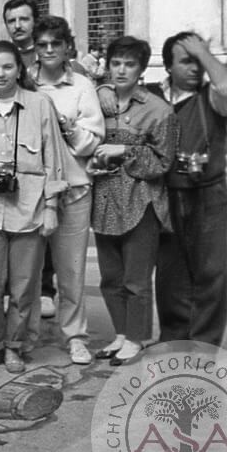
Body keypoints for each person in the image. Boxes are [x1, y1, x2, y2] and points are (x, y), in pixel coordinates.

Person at [0, 41, 68, 375]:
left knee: (25, 285)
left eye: (7, 66)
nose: (0, 73)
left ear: (19, 69)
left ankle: (15, 347)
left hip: (29, 205)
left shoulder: (39, 105)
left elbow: (54, 158)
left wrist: (51, 205)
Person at [88, 36, 178, 366]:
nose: (122, 70)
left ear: (141, 69)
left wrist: (125, 151)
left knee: (136, 279)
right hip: (105, 199)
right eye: (116, 63)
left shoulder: (158, 110)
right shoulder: (99, 99)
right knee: (110, 277)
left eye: (129, 64)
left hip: (142, 201)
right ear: (107, 66)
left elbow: (164, 162)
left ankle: (137, 338)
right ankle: (122, 334)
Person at [150, 33, 227, 347]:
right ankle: (173, 336)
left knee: (210, 270)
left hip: (207, 194)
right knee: (171, 272)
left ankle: (204, 341)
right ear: (169, 67)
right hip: (168, 193)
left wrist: (203, 52)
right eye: (186, 61)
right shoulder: (153, 96)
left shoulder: (213, 97)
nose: (195, 68)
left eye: (198, 62)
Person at [28, 16, 103, 365]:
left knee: (71, 270)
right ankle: (23, 337)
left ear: (67, 47)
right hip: (31, 190)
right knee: (25, 268)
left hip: (73, 188)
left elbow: (92, 142)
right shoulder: (25, 82)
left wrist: (69, 128)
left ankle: (75, 336)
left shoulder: (82, 86)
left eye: (54, 44)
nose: (48, 51)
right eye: (41, 45)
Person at [2, 0, 39, 70]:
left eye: (24, 19)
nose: (17, 26)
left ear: (35, 22)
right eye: (12, 21)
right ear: (6, 25)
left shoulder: (50, 54)